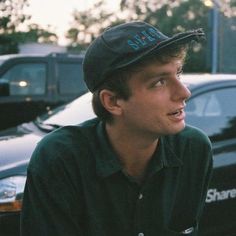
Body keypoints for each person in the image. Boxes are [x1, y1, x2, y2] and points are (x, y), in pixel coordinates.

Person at [20, 21, 213, 236]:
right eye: (159, 82)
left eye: (178, 74)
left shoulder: (194, 149)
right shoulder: (60, 159)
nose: (184, 92)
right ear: (112, 101)